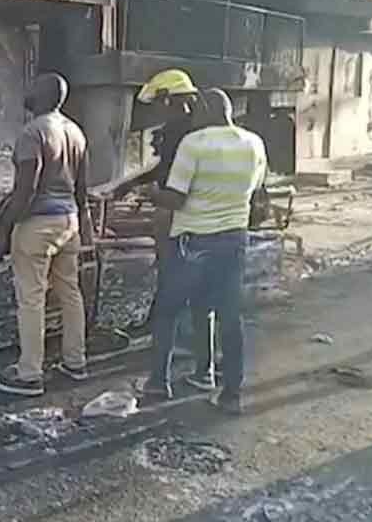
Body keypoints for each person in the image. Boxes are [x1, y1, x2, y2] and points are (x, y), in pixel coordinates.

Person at [143, 88, 267, 415]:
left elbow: (176, 198)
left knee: (168, 309)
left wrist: (152, 193)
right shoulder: (254, 143)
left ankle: (158, 382)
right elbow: (254, 191)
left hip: (193, 242)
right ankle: (228, 392)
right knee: (226, 314)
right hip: (234, 240)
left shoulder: (194, 143)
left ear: (206, 109)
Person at [111, 69, 220, 392]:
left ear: (171, 99)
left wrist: (139, 189)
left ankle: (159, 379)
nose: (159, 112)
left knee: (169, 298)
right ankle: (205, 368)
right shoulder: (210, 131)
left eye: (161, 104)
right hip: (213, 226)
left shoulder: (180, 131)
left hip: (180, 220)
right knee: (203, 300)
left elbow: (167, 179)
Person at [0, 73, 94, 397]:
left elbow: (26, 188)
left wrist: (4, 229)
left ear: (45, 95)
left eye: (32, 86)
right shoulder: (75, 132)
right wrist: (84, 226)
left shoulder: (33, 132)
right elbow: (82, 189)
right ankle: (75, 363)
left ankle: (29, 374)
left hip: (37, 225)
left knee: (31, 298)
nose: (27, 89)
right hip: (68, 222)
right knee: (70, 292)